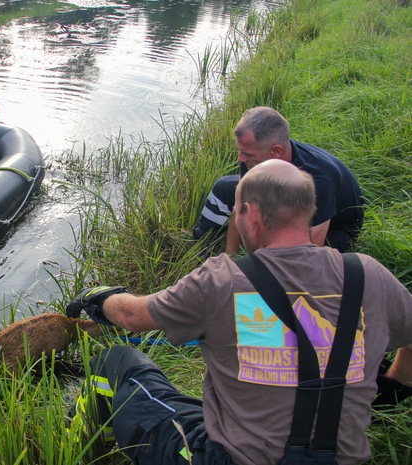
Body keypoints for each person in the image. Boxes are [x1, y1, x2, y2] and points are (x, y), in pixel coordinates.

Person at [66, 159, 412, 465]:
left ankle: (81, 446)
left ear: (253, 215)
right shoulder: (368, 275)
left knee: (117, 362)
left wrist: (99, 297)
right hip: (339, 458)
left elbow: (131, 317)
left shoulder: (221, 280)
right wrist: (394, 384)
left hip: (227, 458)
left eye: (237, 212)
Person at [192, 106, 364, 254]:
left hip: (336, 228)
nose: (240, 159)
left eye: (247, 154)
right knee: (224, 187)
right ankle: (201, 242)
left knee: (282, 252)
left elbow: (311, 248)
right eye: (240, 151)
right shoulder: (255, 157)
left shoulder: (318, 179)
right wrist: (229, 262)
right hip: (283, 197)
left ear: (275, 151)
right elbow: (240, 208)